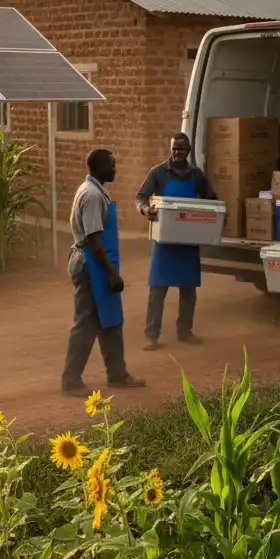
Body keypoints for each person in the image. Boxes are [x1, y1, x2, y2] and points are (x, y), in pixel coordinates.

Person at [62, 149, 146, 394]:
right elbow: (94, 241)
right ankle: (70, 381)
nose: (115, 170)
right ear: (100, 168)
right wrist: (112, 274)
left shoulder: (92, 190)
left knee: (109, 320)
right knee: (86, 323)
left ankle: (117, 374)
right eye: (112, 165)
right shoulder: (93, 196)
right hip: (90, 264)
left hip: (92, 262)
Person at [135, 132, 218, 350]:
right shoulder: (159, 172)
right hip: (164, 242)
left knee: (188, 290)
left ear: (188, 151)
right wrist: (146, 209)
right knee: (157, 290)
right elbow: (141, 197)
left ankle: (185, 332)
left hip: (188, 241)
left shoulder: (196, 175)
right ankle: (151, 335)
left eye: (181, 149)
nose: (177, 153)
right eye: (173, 149)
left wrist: (212, 218)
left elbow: (212, 200)